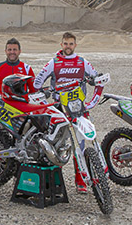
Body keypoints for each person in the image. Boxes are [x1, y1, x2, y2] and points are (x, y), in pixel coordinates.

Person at [33, 32, 101, 194]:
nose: (68, 46)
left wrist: (94, 81)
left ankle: (81, 181)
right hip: (58, 108)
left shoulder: (82, 62)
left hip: (78, 109)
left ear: (75, 45)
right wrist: (44, 92)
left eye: (71, 44)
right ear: (61, 44)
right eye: (65, 43)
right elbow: (37, 83)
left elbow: (96, 78)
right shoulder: (54, 62)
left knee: (80, 144)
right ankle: (55, 182)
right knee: (55, 145)